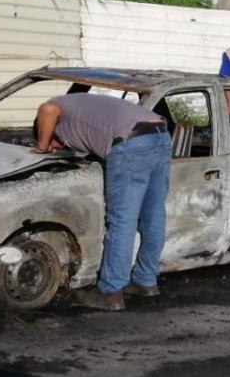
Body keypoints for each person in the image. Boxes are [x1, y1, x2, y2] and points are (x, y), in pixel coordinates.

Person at [33, 93, 171, 311]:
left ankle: (110, 292)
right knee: (153, 216)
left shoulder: (60, 107)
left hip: (130, 141)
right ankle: (146, 281)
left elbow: (47, 110)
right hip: (160, 135)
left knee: (122, 221)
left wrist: (41, 145)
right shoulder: (85, 111)